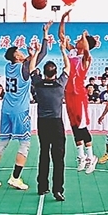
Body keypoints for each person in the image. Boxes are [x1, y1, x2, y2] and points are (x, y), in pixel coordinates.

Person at [0, 22, 50, 190]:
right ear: (16, 56)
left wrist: (30, 56)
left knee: (3, 140)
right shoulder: (24, 68)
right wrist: (44, 35)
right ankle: (15, 178)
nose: (21, 52)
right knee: (25, 143)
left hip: (6, 109)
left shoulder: (8, 66)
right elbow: (43, 53)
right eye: (18, 51)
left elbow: (29, 61)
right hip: (20, 111)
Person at [58, 10, 98, 172]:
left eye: (80, 40)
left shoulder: (86, 58)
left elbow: (87, 50)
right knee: (74, 127)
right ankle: (81, 157)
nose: (77, 41)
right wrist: (62, 19)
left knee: (82, 127)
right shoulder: (72, 51)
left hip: (79, 95)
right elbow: (61, 35)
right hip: (68, 94)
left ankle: (91, 157)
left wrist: (84, 37)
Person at [30, 38, 70, 201]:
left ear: (44, 72)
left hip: (42, 123)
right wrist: (63, 50)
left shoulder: (38, 84)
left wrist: (36, 53)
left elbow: (31, 68)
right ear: (55, 73)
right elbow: (68, 67)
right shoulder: (60, 84)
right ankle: (58, 189)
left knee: (44, 153)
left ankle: (42, 186)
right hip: (56, 123)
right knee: (58, 158)